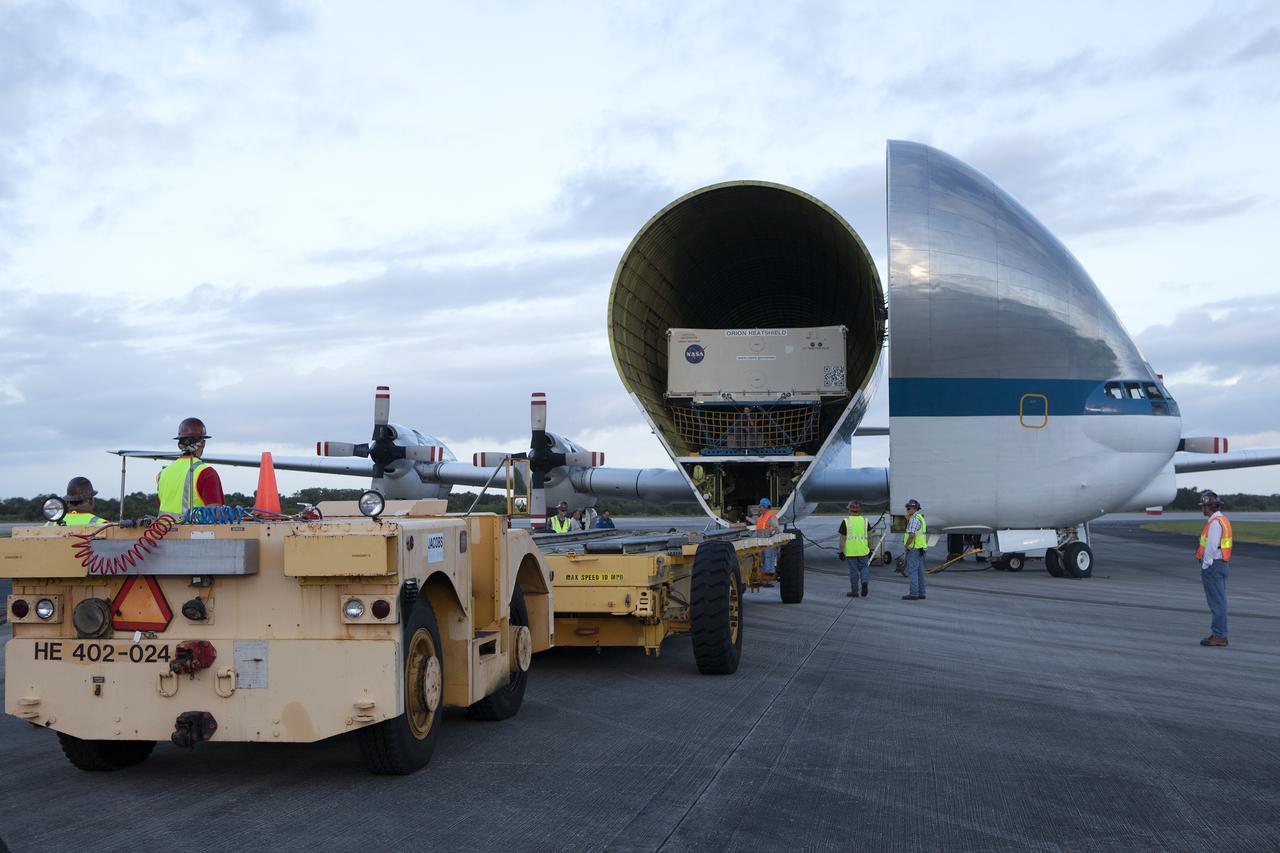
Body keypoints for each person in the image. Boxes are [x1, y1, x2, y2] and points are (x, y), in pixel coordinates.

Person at [157, 417, 224, 517]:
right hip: (194, 532)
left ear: (179, 444)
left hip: (163, 531)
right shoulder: (206, 473)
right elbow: (216, 515)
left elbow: (161, 503)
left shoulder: (163, 473)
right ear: (203, 443)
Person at [1196, 490, 1233, 647]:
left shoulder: (1215, 523)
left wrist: (1206, 564)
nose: (1202, 509)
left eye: (1203, 506)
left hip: (1213, 566)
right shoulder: (1223, 520)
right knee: (1220, 601)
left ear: (1208, 506)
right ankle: (1219, 633)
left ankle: (1219, 635)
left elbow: (1211, 547)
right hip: (1222, 564)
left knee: (1217, 603)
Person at [838, 500, 870, 598]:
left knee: (853, 571)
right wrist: (869, 548)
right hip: (863, 550)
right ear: (859, 510)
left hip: (851, 552)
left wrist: (841, 551)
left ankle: (855, 591)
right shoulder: (865, 521)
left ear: (849, 510)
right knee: (864, 568)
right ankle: (864, 582)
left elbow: (842, 538)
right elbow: (869, 536)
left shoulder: (846, 522)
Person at [902, 498, 927, 601]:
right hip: (921, 549)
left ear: (914, 508)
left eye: (909, 508)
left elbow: (911, 535)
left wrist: (907, 546)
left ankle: (913, 594)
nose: (907, 510)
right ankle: (921, 593)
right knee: (920, 572)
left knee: (912, 572)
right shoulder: (921, 517)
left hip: (914, 549)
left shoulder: (914, 519)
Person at [755, 497, 781, 577]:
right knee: (763, 560)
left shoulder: (770, 516)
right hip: (762, 542)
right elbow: (760, 526)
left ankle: (768, 577)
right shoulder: (763, 516)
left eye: (760, 506)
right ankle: (765, 576)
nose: (759, 508)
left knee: (768, 559)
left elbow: (776, 530)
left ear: (765, 507)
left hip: (769, 543)